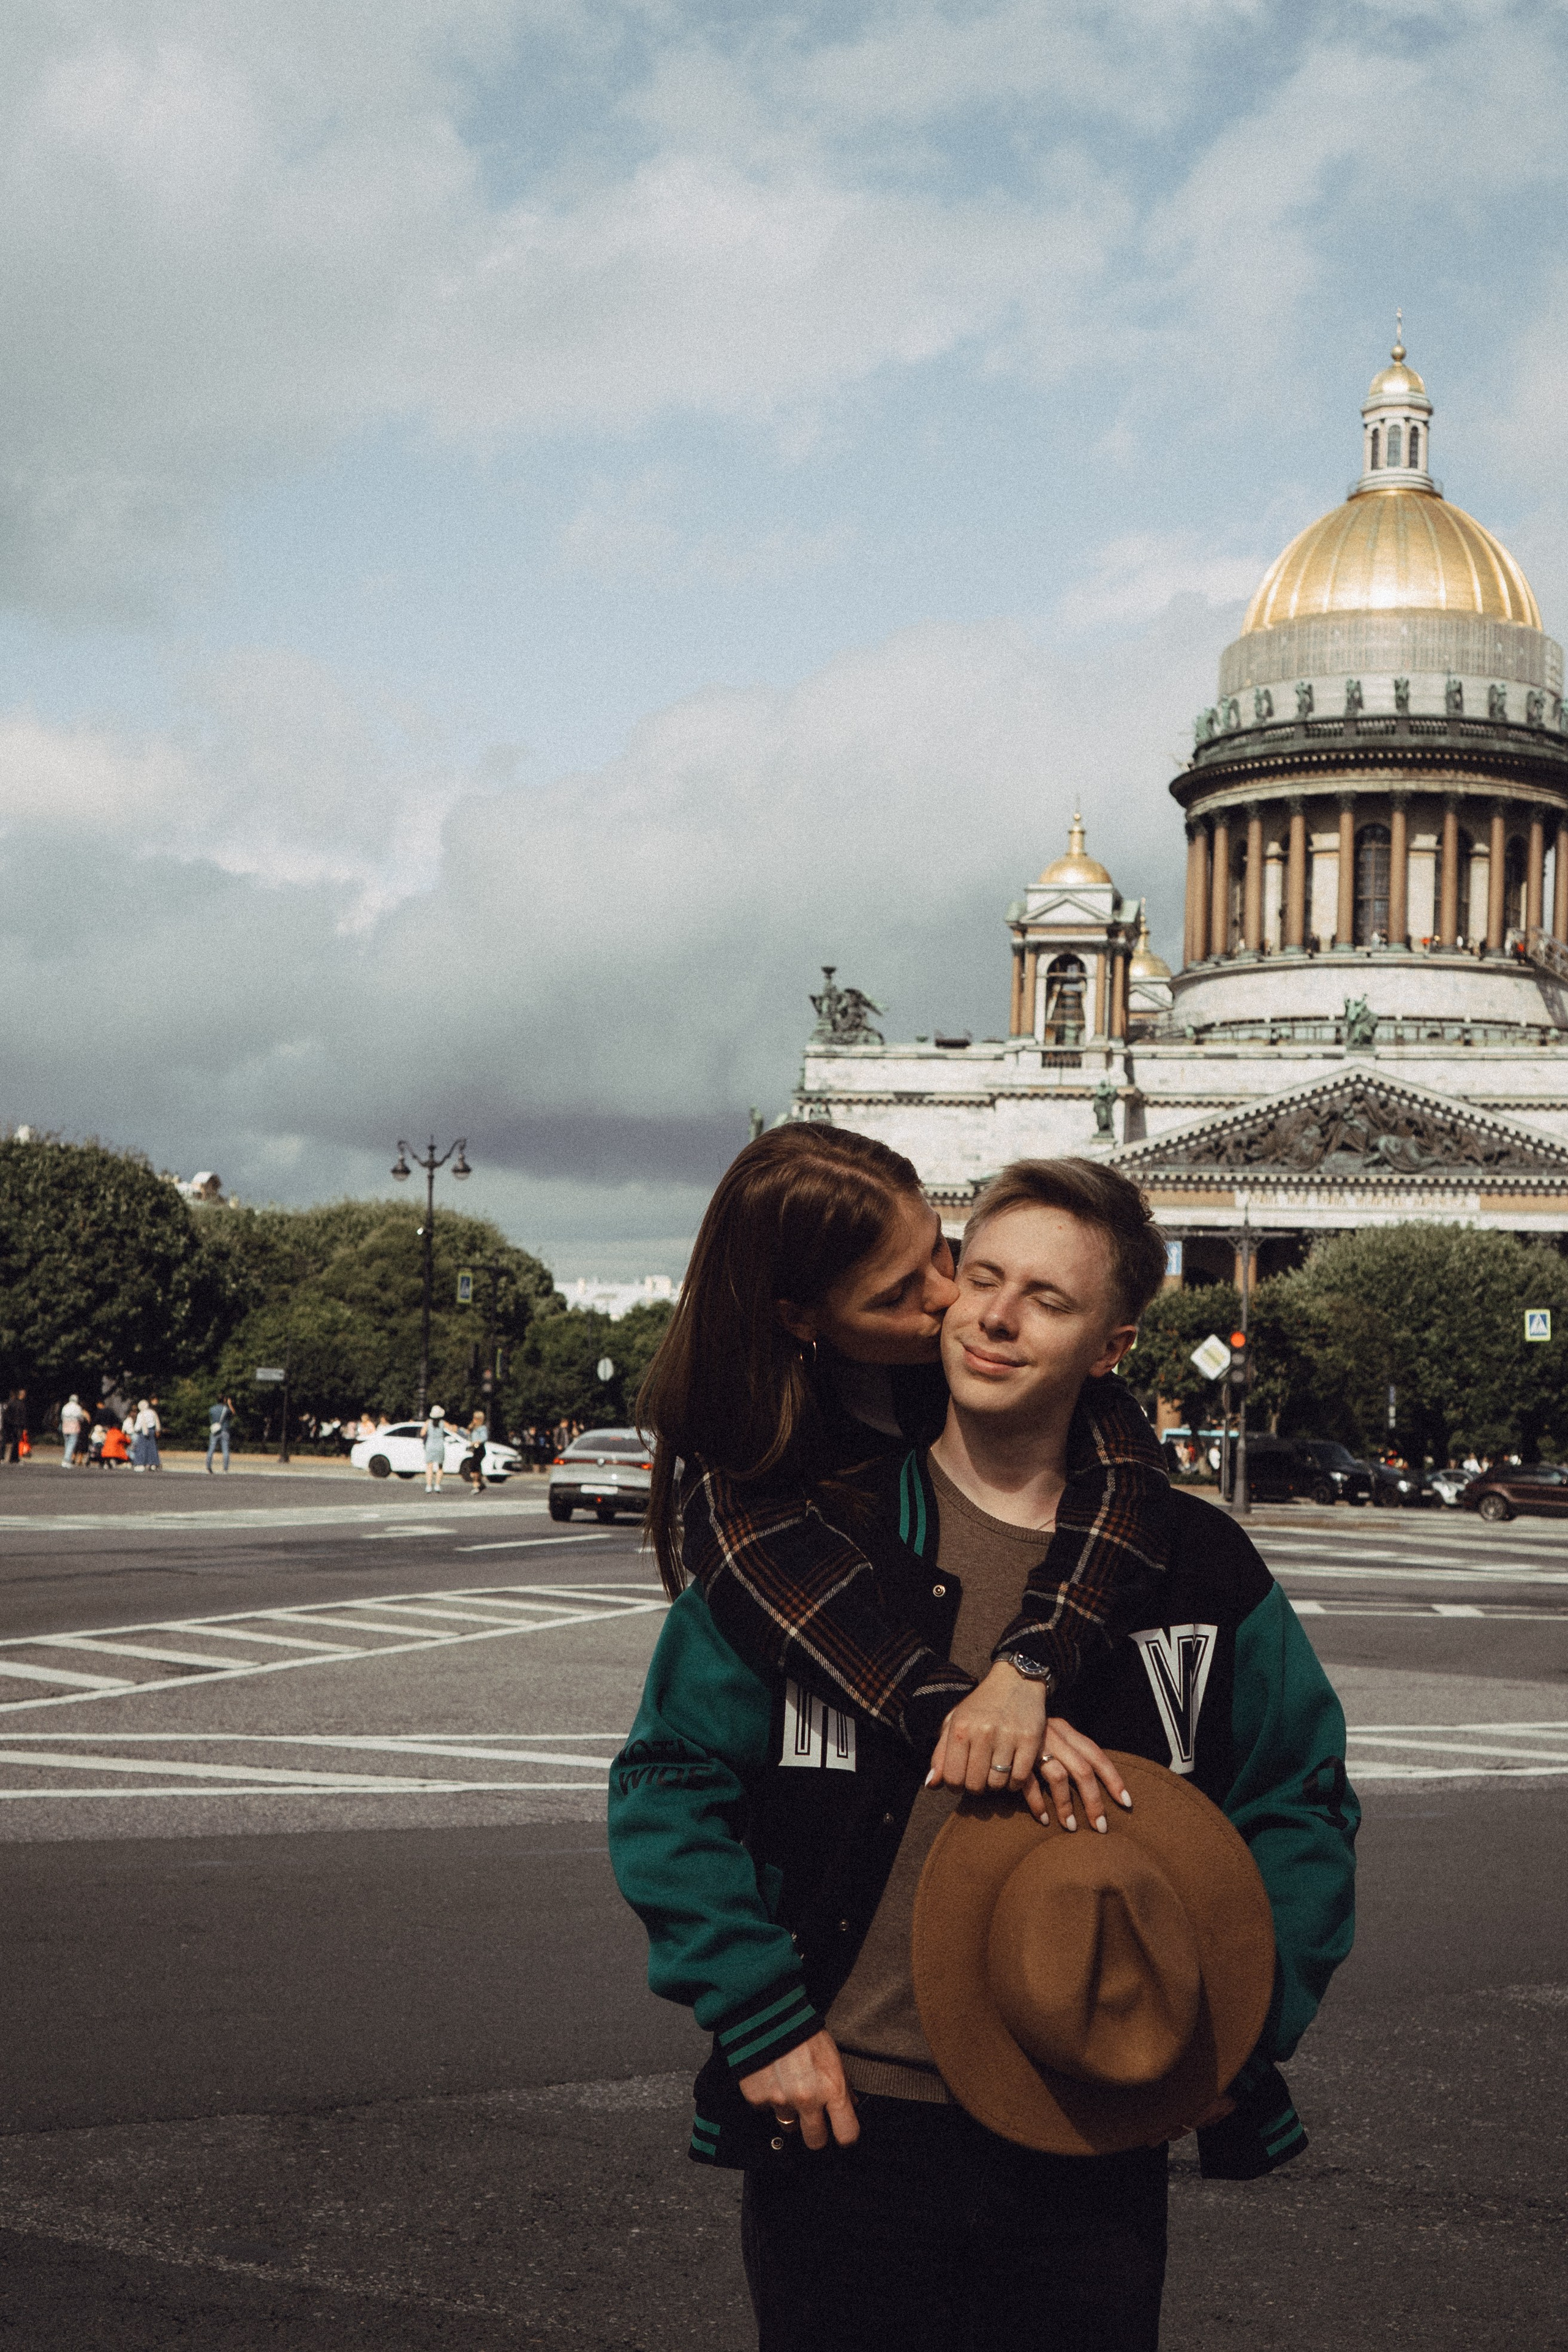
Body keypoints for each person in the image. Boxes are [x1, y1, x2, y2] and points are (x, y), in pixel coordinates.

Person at [609, 1155, 1357, 2352]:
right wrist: (760, 2019)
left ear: (1110, 1346)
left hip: (1090, 2113)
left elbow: (1299, 1802)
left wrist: (1240, 2029)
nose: (984, 1312)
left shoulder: (1191, 1560)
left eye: (1042, 1298)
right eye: (975, 1277)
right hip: (851, 2126)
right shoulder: (797, 1534)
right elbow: (669, 1785)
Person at [206, 1395, 235, 1474]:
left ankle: (209, 1467)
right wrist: (230, 1404)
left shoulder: (212, 1409)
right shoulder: (226, 1409)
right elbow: (233, 1413)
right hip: (225, 1430)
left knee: (211, 1449)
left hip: (215, 1431)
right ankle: (225, 1469)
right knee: (225, 1450)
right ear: (224, 1400)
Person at [421, 1405, 448, 1491]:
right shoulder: (443, 1423)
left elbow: (422, 1433)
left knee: (430, 1466)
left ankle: (429, 1486)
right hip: (440, 1446)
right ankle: (437, 1485)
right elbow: (452, 1429)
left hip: (430, 1445)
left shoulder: (428, 1422)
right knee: (440, 1467)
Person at [463, 1409, 489, 1494]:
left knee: (475, 1466)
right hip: (475, 1449)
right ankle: (480, 1483)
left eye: (475, 1418)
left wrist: (476, 1442)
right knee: (474, 1466)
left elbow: (484, 1438)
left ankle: (477, 1484)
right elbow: (468, 1435)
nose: (473, 1420)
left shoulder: (482, 1428)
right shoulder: (474, 1428)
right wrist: (469, 1428)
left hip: (480, 1449)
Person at [60, 1394, 87, 1468]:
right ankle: (67, 1460)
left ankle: (66, 1459)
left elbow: (62, 1417)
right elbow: (81, 1418)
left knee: (67, 1444)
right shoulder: (78, 1408)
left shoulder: (65, 1407)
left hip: (65, 1427)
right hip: (74, 1427)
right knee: (72, 1444)